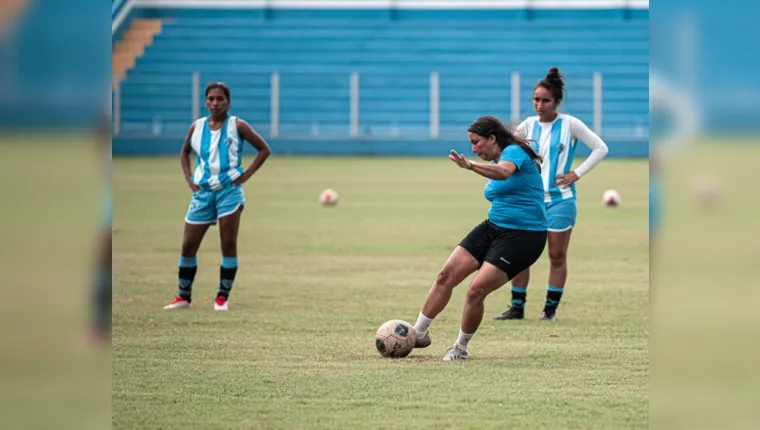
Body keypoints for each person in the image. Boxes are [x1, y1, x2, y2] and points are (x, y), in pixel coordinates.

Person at [411, 115, 548, 361]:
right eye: (471, 144)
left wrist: (472, 166)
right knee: (445, 276)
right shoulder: (495, 160)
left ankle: (460, 349)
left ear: (492, 138)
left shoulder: (513, 152)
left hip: (525, 237)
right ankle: (417, 334)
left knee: (475, 290)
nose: (473, 149)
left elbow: (505, 173)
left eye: (476, 142)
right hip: (493, 227)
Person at [493, 66, 609, 322]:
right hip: (530, 202)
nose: (539, 105)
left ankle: (549, 310)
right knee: (521, 254)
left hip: (560, 200)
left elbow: (600, 148)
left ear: (556, 101)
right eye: (536, 99)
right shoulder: (528, 126)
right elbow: (508, 150)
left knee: (556, 256)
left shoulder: (570, 124)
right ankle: (517, 307)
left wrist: (576, 173)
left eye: (545, 100)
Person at [164, 82, 271, 311]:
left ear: (228, 101)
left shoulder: (238, 126)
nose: (215, 103)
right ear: (205, 101)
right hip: (202, 194)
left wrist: (246, 174)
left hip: (229, 192)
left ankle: (222, 297)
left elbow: (264, 149)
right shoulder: (197, 127)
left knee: (228, 244)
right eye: (211, 99)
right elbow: (184, 152)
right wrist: (188, 178)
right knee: (188, 245)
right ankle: (184, 296)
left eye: (220, 99)